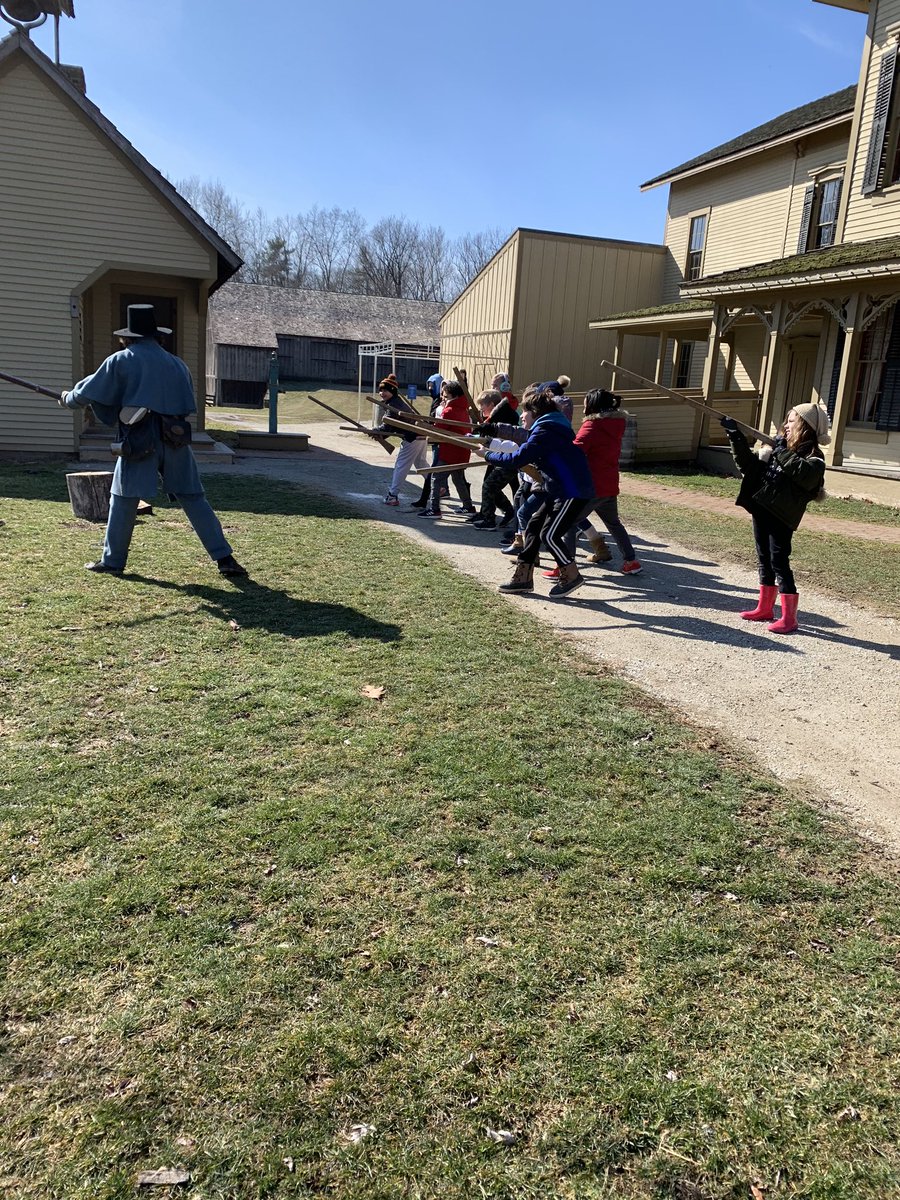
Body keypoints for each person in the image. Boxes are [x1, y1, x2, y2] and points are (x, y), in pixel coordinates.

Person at [60, 304, 246, 577]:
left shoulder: (121, 360)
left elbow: (87, 393)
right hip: (176, 437)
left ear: (127, 337)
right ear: (156, 335)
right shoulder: (177, 364)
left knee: (123, 499)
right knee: (193, 498)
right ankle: (225, 559)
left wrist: (67, 398)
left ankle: (112, 561)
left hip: (139, 438)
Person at [721, 403, 830, 634]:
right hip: (762, 508)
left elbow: (803, 475)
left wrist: (780, 450)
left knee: (779, 561)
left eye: (792, 421)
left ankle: (789, 618)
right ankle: (765, 608)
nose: (786, 425)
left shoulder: (814, 457)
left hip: (782, 516)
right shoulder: (776, 448)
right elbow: (747, 466)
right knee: (764, 558)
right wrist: (735, 436)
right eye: (787, 420)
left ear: (806, 426)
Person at [474, 387, 594, 597]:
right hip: (557, 489)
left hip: (572, 490)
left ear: (535, 412)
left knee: (550, 534)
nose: (521, 416)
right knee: (533, 527)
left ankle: (571, 574)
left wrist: (487, 455)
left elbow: (517, 459)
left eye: (525, 412)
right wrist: (492, 433)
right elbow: (522, 439)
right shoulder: (548, 428)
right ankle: (523, 578)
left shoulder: (546, 432)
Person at [573, 388, 641, 574]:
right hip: (609, 484)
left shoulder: (592, 426)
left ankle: (565, 566)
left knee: (569, 522)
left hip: (591, 485)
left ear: (592, 404)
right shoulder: (616, 424)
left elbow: (576, 451)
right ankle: (631, 561)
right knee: (614, 524)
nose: (583, 405)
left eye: (585, 401)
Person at [369, 373, 428, 506]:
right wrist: (379, 433)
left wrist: (378, 432)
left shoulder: (394, 405)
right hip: (420, 435)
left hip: (412, 437)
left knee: (401, 466)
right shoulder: (394, 402)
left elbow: (388, 424)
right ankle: (438, 487)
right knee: (421, 464)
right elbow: (390, 425)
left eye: (385, 390)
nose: (382, 393)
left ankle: (393, 496)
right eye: (381, 390)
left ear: (393, 391)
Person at [420, 380, 474, 519]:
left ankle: (434, 509)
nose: (443, 398)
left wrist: (429, 427)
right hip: (461, 451)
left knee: (436, 478)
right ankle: (468, 506)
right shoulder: (463, 409)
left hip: (451, 452)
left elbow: (439, 429)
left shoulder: (449, 410)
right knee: (458, 479)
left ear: (454, 396)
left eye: (446, 396)